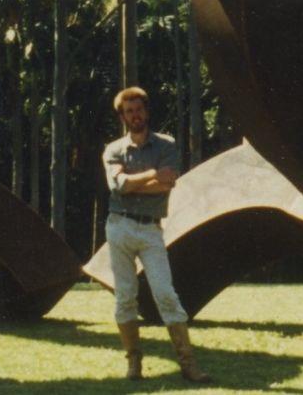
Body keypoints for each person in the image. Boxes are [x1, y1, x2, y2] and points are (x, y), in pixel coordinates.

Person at [103, 85, 208, 383]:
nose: (135, 115)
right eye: (129, 111)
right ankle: (134, 364)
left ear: (146, 111)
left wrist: (134, 181)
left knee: (165, 294)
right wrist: (151, 175)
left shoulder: (165, 145)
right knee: (125, 297)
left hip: (151, 230)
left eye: (138, 109)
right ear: (123, 116)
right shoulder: (113, 149)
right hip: (119, 226)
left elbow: (168, 183)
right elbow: (118, 186)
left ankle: (188, 364)